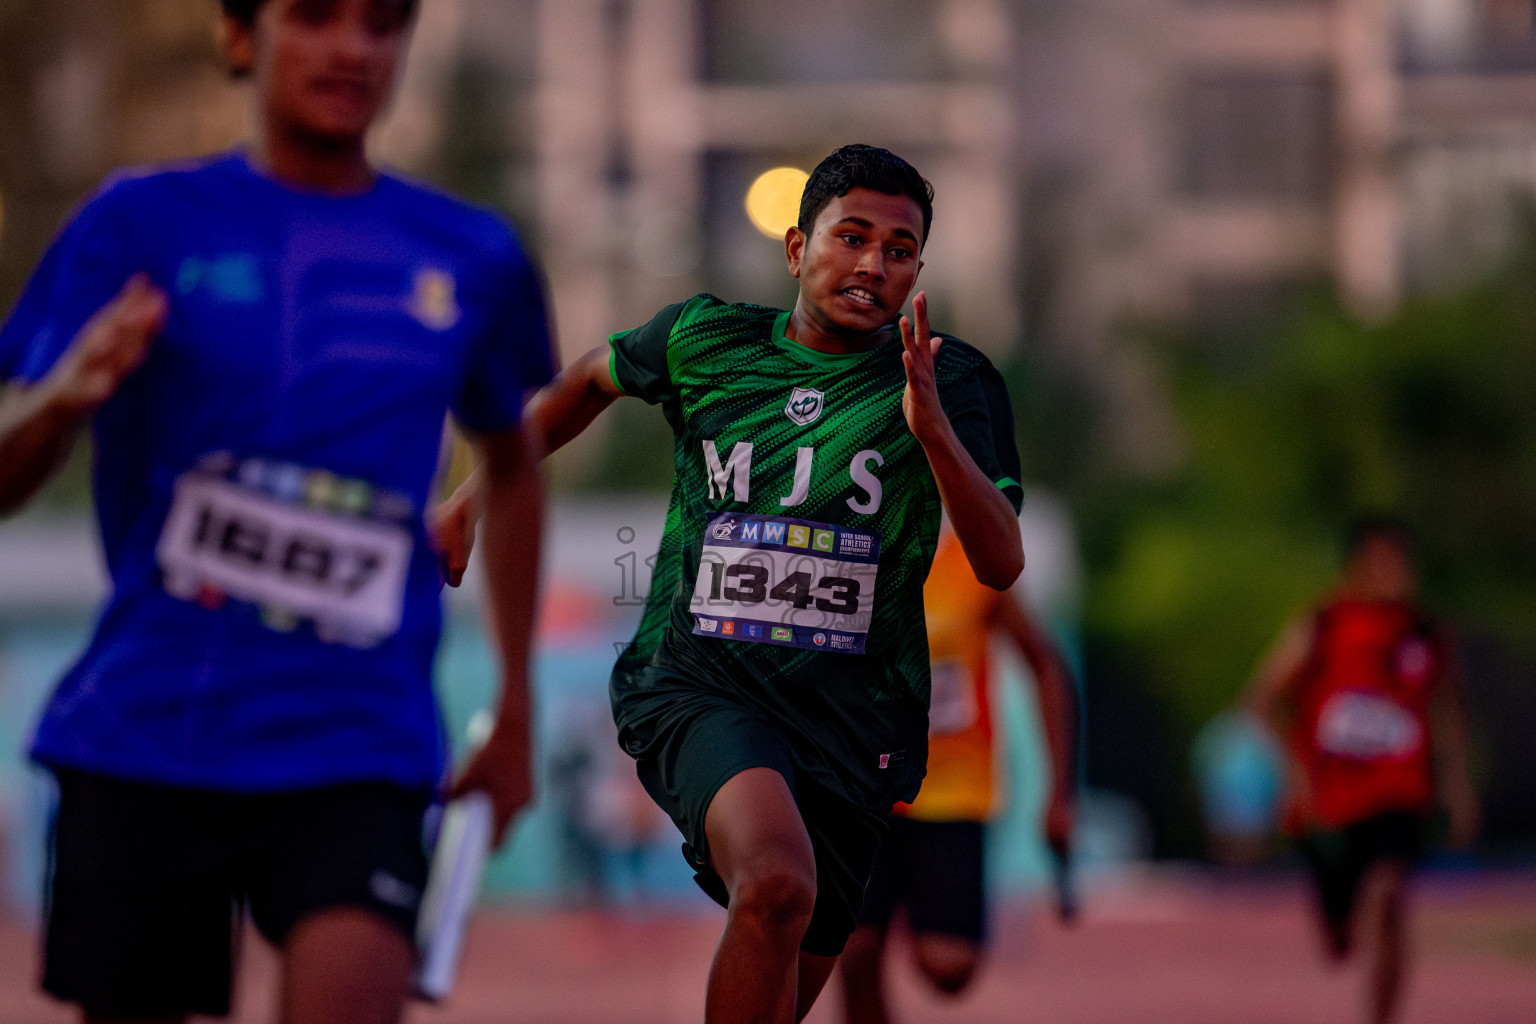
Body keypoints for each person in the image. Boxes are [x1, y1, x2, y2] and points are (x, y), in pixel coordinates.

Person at [0, 1, 552, 1022]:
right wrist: (60, 396)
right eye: (314, 16)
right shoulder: (137, 225)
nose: (352, 48)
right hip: (149, 735)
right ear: (241, 36)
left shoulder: (472, 256)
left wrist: (516, 703)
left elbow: (514, 461)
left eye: (382, 24)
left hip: (357, 745)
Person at [436, 144, 1025, 1023]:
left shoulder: (951, 379)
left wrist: (933, 433)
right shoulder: (705, 339)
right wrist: (470, 501)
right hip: (700, 685)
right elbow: (580, 386)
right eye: (851, 236)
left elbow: (1001, 561)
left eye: (899, 250)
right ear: (797, 247)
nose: (872, 264)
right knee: (778, 883)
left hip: (853, 725)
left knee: (778, 985)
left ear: (918, 272)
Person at [837, 523, 1077, 1024]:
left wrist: (1060, 793)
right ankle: (876, 921)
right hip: (862, 788)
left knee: (950, 967)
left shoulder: (972, 565)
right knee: (855, 952)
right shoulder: (845, 554)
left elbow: (1047, 667)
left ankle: (903, 909)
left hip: (951, 789)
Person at [1246, 517, 1478, 1024]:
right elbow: (1262, 699)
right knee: (1340, 935)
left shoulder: (1425, 635)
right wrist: (1295, 770)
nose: (1400, 574)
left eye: (1405, 562)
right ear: (1359, 566)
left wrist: (1459, 787)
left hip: (1400, 791)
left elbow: (1448, 712)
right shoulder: (1324, 624)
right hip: (1331, 802)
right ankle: (1337, 916)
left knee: (1390, 897)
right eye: (1386, 561)